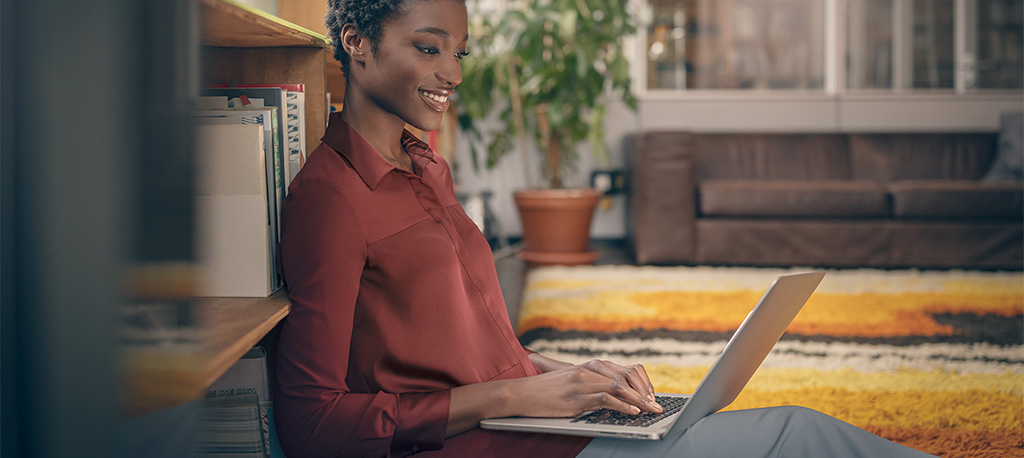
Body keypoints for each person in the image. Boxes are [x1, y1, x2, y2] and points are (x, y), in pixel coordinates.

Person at [272, 1, 936, 457]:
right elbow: (310, 423)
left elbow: (467, 357)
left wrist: (579, 377)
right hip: (490, 448)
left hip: (542, 433)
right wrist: (517, 393)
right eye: (428, 48)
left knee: (779, 435)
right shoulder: (329, 201)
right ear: (355, 43)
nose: (454, 73)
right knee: (795, 437)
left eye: (460, 51)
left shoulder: (425, 165)